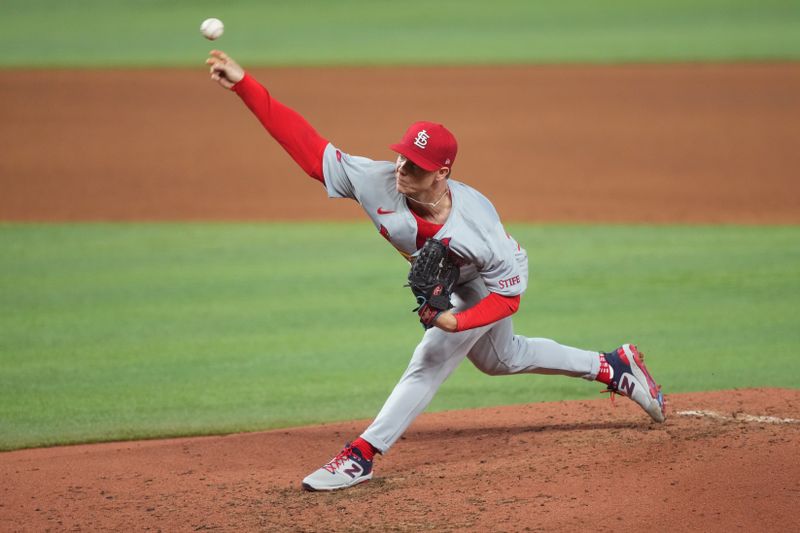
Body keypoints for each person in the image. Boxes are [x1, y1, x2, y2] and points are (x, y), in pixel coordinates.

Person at [205, 50, 666, 492]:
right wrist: (245, 85)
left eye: (418, 166)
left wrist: (453, 321)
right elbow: (307, 147)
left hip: (485, 281)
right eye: (404, 157)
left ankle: (362, 454)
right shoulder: (376, 180)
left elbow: (508, 299)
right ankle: (612, 365)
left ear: (442, 172)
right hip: (455, 281)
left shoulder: (478, 228)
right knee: (501, 359)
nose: (404, 169)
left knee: (432, 356)